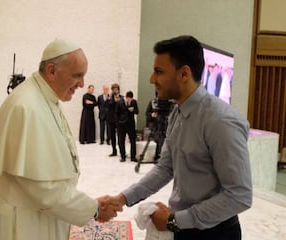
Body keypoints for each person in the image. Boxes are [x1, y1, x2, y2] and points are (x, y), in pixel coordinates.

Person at [104, 35, 252, 240]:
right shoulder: (178, 113)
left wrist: (174, 220)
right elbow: (166, 167)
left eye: (159, 72)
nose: (152, 79)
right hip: (181, 227)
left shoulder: (221, 121)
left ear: (184, 73)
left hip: (214, 233)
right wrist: (123, 198)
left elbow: (239, 196)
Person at [0, 38, 121, 240]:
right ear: (52, 71)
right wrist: (93, 208)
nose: (82, 84)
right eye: (77, 76)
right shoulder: (27, 107)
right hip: (21, 221)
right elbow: (42, 189)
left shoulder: (45, 97)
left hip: (39, 214)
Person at [115, 90, 139, 162]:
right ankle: (123, 156)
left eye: (131, 99)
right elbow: (116, 113)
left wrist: (133, 110)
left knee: (133, 140)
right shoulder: (120, 102)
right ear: (126, 97)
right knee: (121, 141)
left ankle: (133, 156)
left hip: (131, 124)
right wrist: (118, 122)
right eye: (129, 99)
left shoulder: (134, 102)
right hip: (121, 124)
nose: (130, 100)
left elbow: (137, 111)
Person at [105, 83, 121, 157]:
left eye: (116, 89)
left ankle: (122, 152)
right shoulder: (109, 97)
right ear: (112, 90)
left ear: (118, 90)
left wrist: (118, 101)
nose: (115, 90)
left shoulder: (121, 97)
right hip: (111, 120)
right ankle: (114, 151)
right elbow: (106, 106)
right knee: (112, 136)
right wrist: (110, 99)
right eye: (114, 89)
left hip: (119, 120)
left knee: (120, 136)